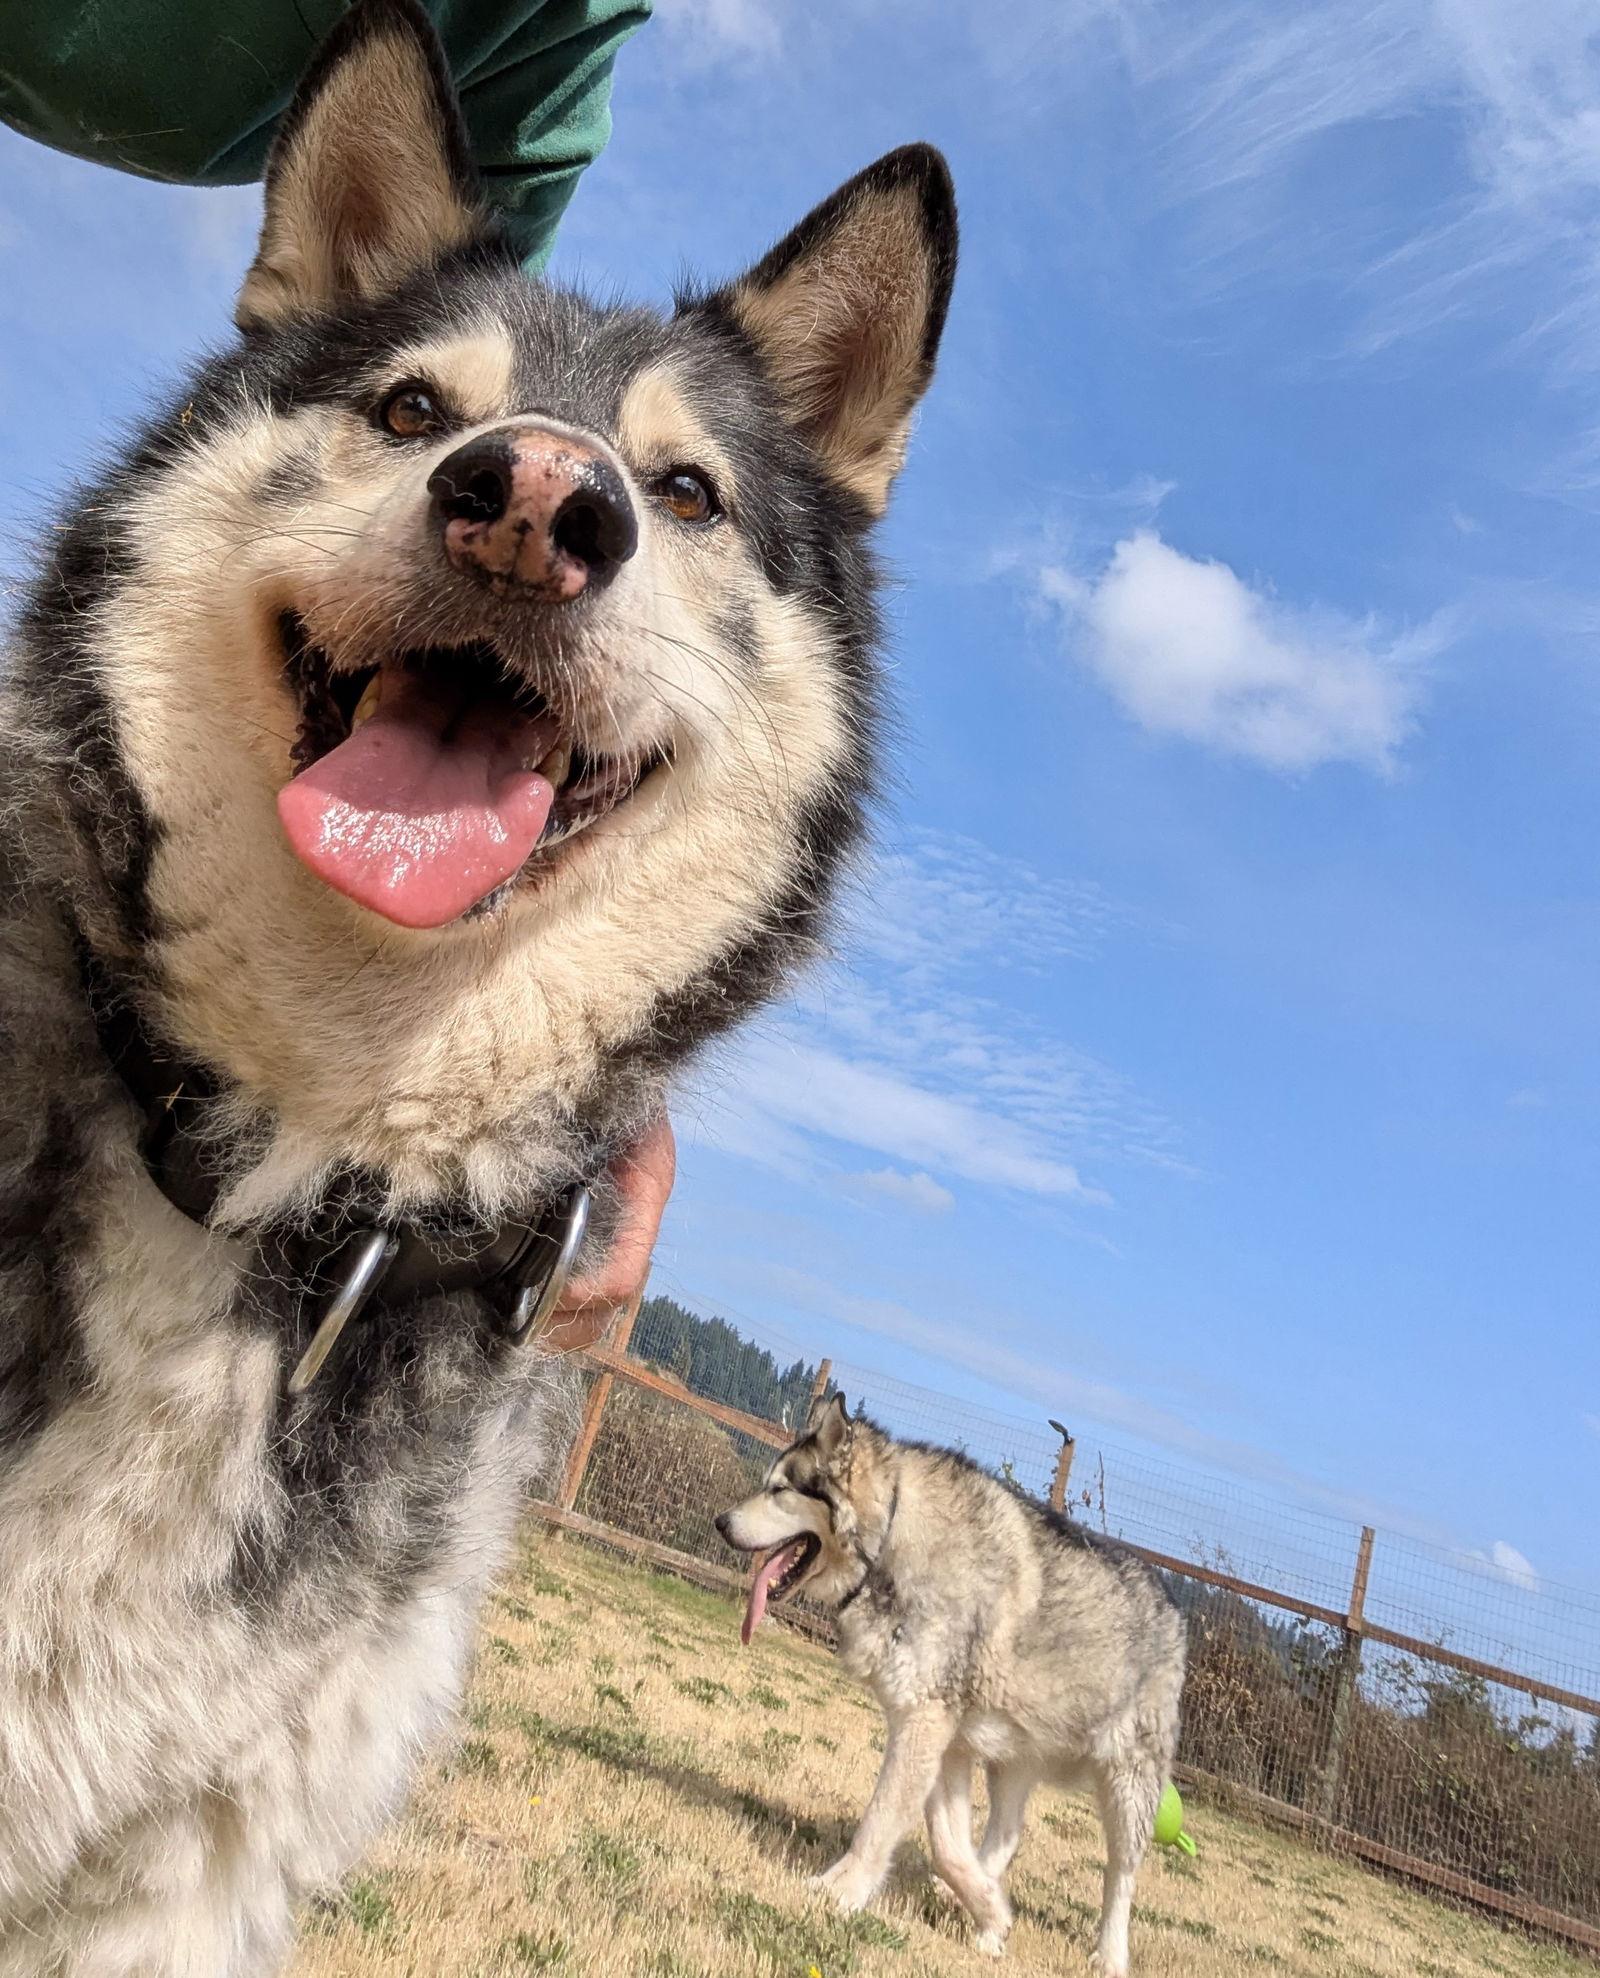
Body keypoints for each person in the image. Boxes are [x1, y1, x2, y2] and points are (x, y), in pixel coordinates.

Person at [0, 0, 674, 1348]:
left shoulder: (548, 26)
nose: (537, 499)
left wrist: (604, 1070)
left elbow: (447, 347)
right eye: (420, 422)